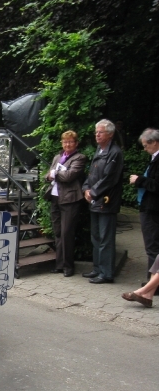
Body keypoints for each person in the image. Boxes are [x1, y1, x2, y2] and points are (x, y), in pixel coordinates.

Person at [82, 119, 124, 284]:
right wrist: (86, 188)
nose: (97, 135)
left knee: (106, 238)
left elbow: (109, 178)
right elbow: (91, 173)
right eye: (96, 132)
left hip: (107, 201)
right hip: (94, 201)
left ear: (110, 134)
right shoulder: (99, 149)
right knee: (96, 237)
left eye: (100, 132)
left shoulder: (115, 152)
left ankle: (106, 273)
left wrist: (93, 192)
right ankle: (97, 268)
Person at [44, 131, 87, 277]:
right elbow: (48, 173)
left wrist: (54, 174)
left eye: (70, 142)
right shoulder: (58, 157)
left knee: (67, 233)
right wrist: (50, 175)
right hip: (55, 197)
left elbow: (69, 176)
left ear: (76, 143)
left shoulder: (79, 158)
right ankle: (59, 264)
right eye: (65, 142)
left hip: (70, 199)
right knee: (57, 233)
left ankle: (68, 266)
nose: (67, 144)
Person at [129, 128, 159, 278]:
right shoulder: (154, 158)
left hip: (152, 209)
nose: (144, 149)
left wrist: (139, 180)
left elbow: (156, 185)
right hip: (150, 207)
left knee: (152, 246)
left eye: (145, 146)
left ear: (154, 142)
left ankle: (152, 284)